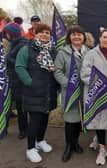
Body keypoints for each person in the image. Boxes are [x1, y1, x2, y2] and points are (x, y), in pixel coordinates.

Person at [15, 23, 59, 163]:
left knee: (45, 117)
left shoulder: (52, 49)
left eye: (47, 32)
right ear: (35, 33)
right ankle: (30, 148)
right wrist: (30, 83)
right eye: (42, 32)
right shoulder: (26, 49)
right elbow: (19, 67)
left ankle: (40, 141)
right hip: (33, 91)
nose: (45, 34)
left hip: (48, 91)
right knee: (34, 120)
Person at [80, 28, 107, 165]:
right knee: (97, 118)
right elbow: (85, 73)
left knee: (104, 121)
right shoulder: (90, 54)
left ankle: (98, 138)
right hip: (94, 92)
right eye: (105, 37)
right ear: (100, 38)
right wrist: (100, 83)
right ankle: (103, 149)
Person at [54, 25, 89, 162]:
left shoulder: (89, 52)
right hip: (70, 93)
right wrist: (68, 84)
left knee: (80, 119)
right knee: (70, 121)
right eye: (73, 34)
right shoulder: (63, 52)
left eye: (79, 34)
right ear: (69, 37)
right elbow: (57, 71)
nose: (76, 37)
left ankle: (75, 143)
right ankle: (69, 146)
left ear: (83, 37)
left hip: (84, 92)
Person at [3, 22, 28, 139]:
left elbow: (22, 64)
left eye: (6, 33)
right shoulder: (13, 44)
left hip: (19, 82)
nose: (5, 35)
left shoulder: (23, 45)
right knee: (6, 105)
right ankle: (4, 128)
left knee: (20, 107)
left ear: (11, 34)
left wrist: (9, 58)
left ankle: (23, 130)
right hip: (10, 81)